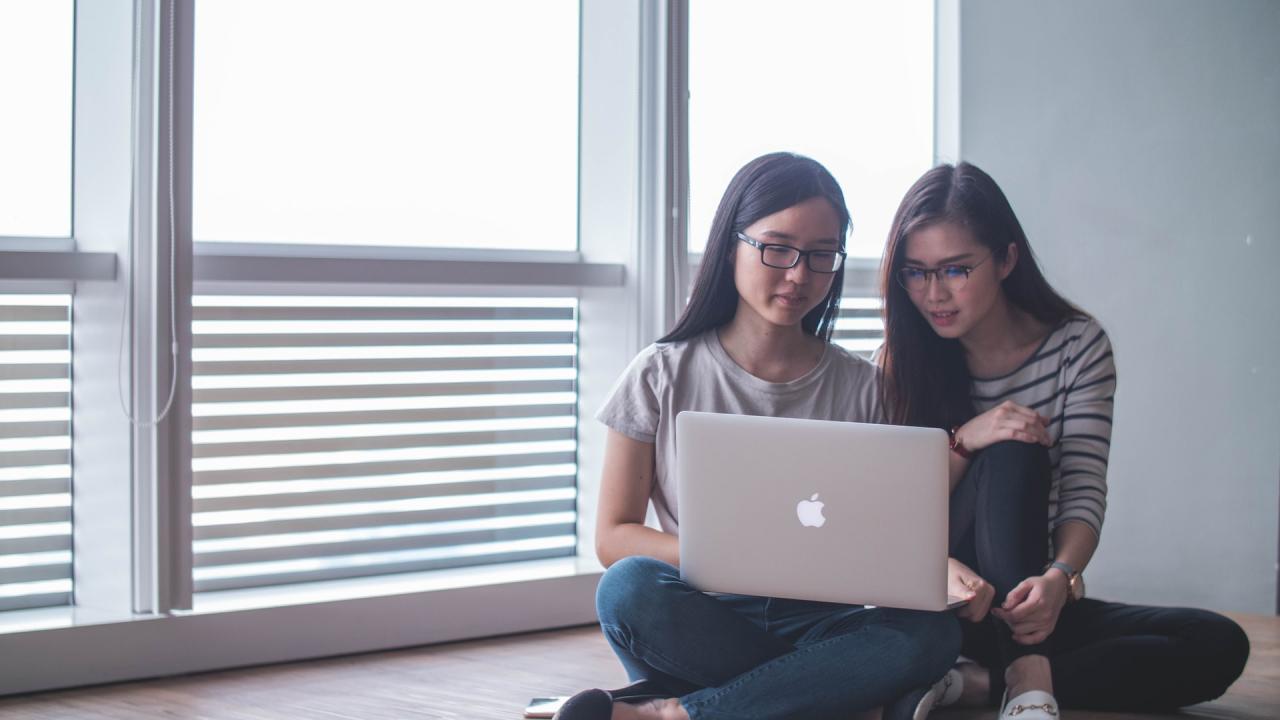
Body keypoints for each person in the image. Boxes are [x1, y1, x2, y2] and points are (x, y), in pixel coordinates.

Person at [553, 152, 964, 720]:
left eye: (822, 255)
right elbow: (613, 537)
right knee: (626, 589)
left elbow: (885, 538)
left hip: (824, 616)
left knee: (930, 632)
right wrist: (731, 560)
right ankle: (833, 694)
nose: (799, 274)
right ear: (730, 247)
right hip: (705, 612)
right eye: (777, 248)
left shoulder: (867, 387)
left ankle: (681, 713)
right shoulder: (659, 374)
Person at [877, 162, 1251, 720]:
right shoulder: (901, 359)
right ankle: (1027, 670)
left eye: (955, 269)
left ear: (1006, 259)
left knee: (1217, 643)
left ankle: (978, 684)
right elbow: (895, 515)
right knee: (1014, 442)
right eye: (915, 272)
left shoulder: (1077, 345)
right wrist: (966, 440)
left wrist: (1060, 578)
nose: (933, 293)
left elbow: (1082, 485)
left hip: (1027, 594)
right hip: (947, 595)